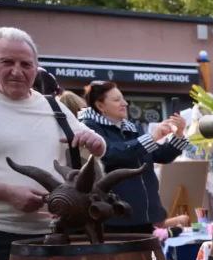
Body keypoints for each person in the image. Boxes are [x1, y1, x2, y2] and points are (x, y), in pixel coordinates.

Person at [0, 27, 105, 260]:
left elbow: (91, 158)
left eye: (25, 63)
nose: (16, 70)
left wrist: (96, 146)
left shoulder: (54, 107)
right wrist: (7, 192)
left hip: (59, 241)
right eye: (6, 62)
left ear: (37, 67)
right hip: (4, 239)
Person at [79, 80, 195, 233]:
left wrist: (178, 134)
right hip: (116, 219)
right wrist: (151, 138)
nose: (124, 103)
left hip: (145, 216)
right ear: (100, 106)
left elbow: (160, 155)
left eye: (123, 98)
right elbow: (113, 154)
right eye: (116, 100)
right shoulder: (88, 127)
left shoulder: (133, 127)